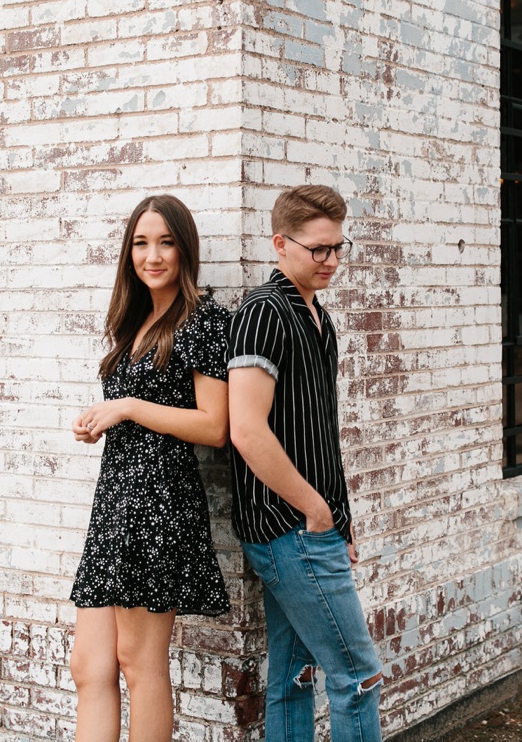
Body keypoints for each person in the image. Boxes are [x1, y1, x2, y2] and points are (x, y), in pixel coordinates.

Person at [68, 195, 232, 742]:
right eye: (141, 243)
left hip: (158, 506)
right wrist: (102, 420)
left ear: (185, 250)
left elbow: (215, 426)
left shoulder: (205, 319)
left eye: (165, 242)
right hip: (116, 502)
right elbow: (131, 413)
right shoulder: (135, 320)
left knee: (141, 665)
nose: (152, 255)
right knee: (88, 666)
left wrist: (129, 407)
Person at [227, 185, 384, 742]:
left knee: (294, 676)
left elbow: (319, 436)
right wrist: (316, 511)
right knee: (359, 677)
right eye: (319, 249)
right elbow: (245, 429)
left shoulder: (319, 319)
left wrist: (338, 521)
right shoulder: (263, 313)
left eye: (339, 248)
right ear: (280, 244)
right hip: (287, 527)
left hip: (311, 527)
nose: (332, 261)